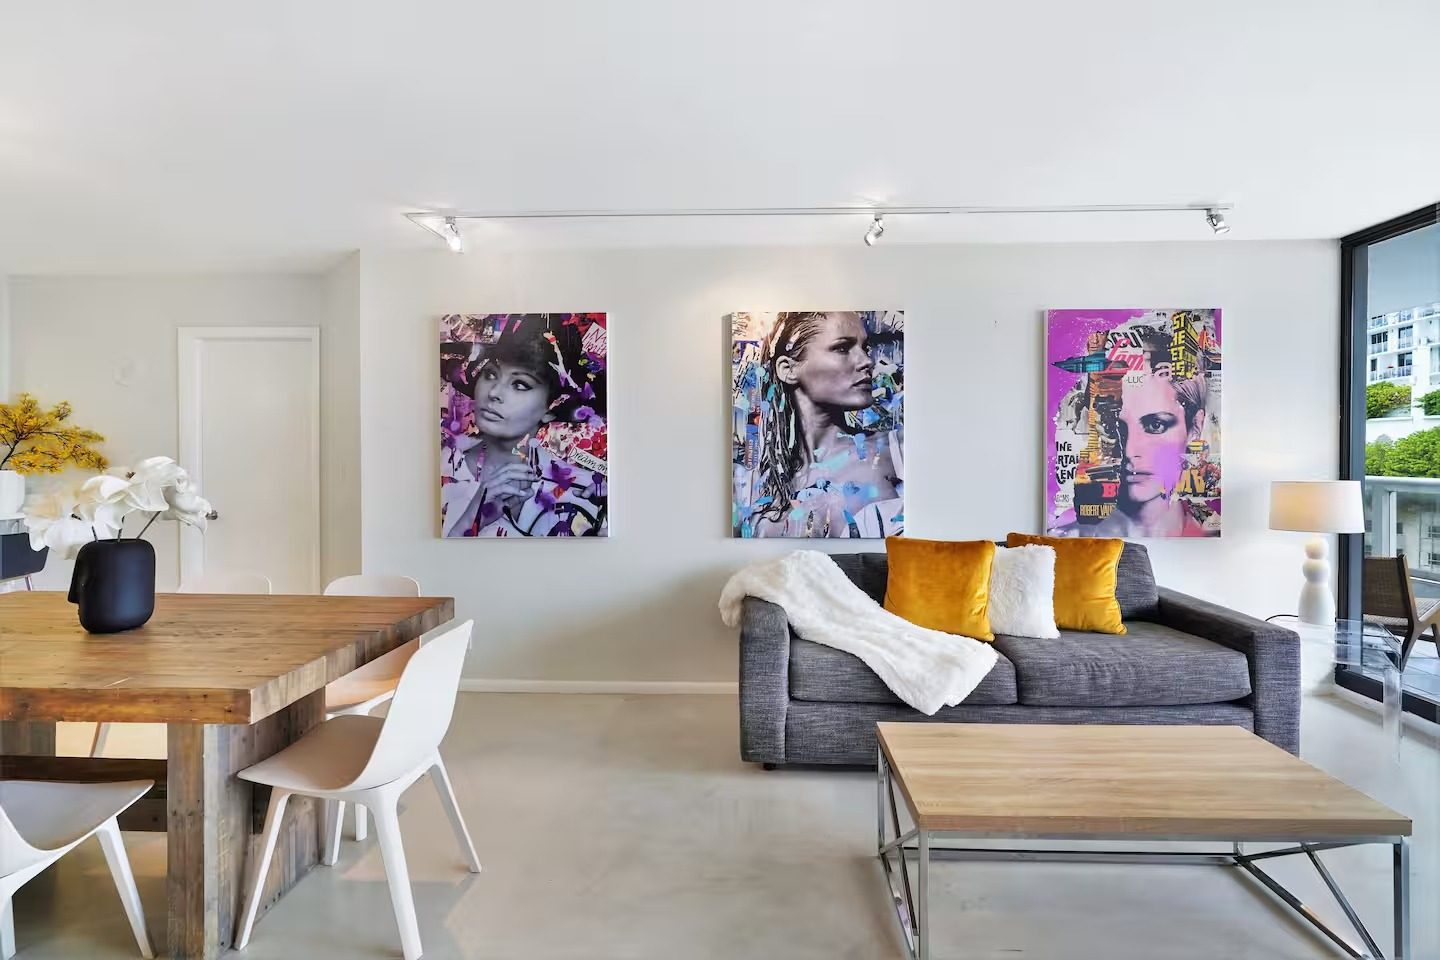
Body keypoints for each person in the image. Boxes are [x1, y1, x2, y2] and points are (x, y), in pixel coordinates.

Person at [441, 315, 607, 537]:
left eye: (520, 384)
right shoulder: (441, 466)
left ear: (552, 407)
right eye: (490, 374)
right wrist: (474, 516)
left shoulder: (582, 489)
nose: (494, 393)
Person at [745, 311, 903, 537]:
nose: (867, 361)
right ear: (788, 369)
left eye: (865, 348)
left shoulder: (898, 452)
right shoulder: (756, 486)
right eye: (842, 348)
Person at [1092, 333, 1215, 537]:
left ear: (1195, 427)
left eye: (1156, 425)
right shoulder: (1065, 540)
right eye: (1115, 426)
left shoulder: (1211, 537)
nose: (1130, 451)